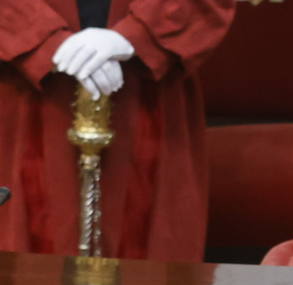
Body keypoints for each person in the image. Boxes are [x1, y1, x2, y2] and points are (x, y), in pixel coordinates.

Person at [0, 0, 234, 258]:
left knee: (148, 276)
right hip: (24, 89)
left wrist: (138, 35)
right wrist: (40, 39)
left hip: (148, 90)